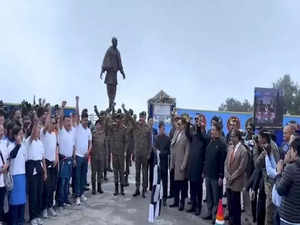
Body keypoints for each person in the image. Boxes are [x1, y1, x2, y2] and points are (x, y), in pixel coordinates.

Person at [202, 122, 227, 224]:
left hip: (216, 177)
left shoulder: (222, 144)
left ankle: (215, 216)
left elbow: (222, 162)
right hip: (208, 175)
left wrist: (221, 176)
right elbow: (206, 159)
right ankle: (209, 212)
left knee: (217, 197)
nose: (211, 132)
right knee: (209, 196)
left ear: (218, 131)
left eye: (213, 130)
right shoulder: (210, 143)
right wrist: (204, 171)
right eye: (211, 130)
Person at [255, 129, 280, 225]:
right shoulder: (269, 146)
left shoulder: (271, 148)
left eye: (259, 137)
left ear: (264, 138)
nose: (258, 139)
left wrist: (261, 152)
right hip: (269, 182)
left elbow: (257, 164)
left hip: (271, 184)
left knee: (270, 211)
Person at [26, 115, 47, 225]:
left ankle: (37, 215)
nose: (38, 132)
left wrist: (45, 173)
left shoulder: (40, 142)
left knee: (39, 193)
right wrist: (36, 121)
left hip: (40, 169)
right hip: (31, 168)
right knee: (33, 194)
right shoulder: (28, 141)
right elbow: (33, 132)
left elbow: (43, 158)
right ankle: (32, 217)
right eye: (37, 130)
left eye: (39, 130)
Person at [225, 129, 249, 225]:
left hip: (237, 181)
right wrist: (227, 175)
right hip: (228, 180)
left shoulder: (243, 150)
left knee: (236, 204)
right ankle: (231, 221)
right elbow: (226, 163)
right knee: (230, 203)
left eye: (233, 136)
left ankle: (236, 222)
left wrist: (232, 177)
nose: (231, 138)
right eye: (230, 136)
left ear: (238, 137)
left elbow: (241, 168)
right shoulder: (230, 148)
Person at [185, 114, 207, 216]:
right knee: (192, 187)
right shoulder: (193, 135)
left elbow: (200, 134)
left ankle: (198, 207)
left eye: (199, 120)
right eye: (196, 120)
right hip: (192, 166)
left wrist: (198, 127)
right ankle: (193, 205)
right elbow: (187, 134)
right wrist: (188, 123)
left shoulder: (204, 136)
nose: (197, 122)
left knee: (198, 188)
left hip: (199, 167)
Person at [276, 138, 300, 225]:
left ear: (295, 152)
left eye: (291, 149)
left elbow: (280, 190)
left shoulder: (291, 168)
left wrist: (279, 173)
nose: (289, 152)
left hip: (289, 217)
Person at [57, 101, 75, 212]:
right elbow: (59, 119)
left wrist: (73, 159)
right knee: (62, 181)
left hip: (69, 160)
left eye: (70, 121)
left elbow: (73, 146)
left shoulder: (72, 132)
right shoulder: (61, 131)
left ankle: (66, 199)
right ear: (63, 123)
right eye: (67, 121)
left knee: (67, 181)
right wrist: (62, 107)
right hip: (63, 160)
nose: (69, 123)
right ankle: (60, 201)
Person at [74, 97, 92, 205]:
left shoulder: (89, 130)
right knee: (77, 177)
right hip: (78, 156)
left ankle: (81, 194)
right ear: (81, 120)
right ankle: (77, 196)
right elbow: (77, 113)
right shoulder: (78, 127)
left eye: (87, 120)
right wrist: (77, 102)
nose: (86, 122)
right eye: (84, 120)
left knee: (83, 177)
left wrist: (88, 152)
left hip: (85, 157)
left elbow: (91, 144)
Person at [41, 108, 59, 218]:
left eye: (54, 123)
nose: (53, 124)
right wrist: (48, 112)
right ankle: (44, 208)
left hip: (54, 162)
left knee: (52, 187)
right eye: (52, 123)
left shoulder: (54, 134)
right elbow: (46, 124)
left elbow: (56, 146)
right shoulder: (43, 133)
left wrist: (57, 157)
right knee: (46, 187)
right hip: (46, 162)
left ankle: (50, 206)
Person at [169, 117, 189, 211]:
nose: (178, 125)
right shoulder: (177, 133)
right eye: (178, 124)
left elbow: (187, 152)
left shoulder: (186, 136)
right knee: (176, 184)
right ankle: (176, 201)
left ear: (184, 125)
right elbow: (173, 146)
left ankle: (181, 203)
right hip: (175, 163)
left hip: (181, 164)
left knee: (182, 185)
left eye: (180, 124)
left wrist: (184, 165)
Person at [100, 37, 126, 110]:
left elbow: (120, 63)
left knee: (114, 92)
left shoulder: (117, 52)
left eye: (117, 42)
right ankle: (110, 105)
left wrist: (122, 73)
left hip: (114, 75)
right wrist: (102, 71)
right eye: (114, 42)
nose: (116, 43)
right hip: (109, 74)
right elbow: (105, 60)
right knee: (109, 92)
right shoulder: (109, 50)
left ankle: (111, 105)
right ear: (112, 42)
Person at [8, 125, 26, 225]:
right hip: (14, 176)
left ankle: (21, 221)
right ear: (15, 136)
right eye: (19, 134)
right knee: (14, 202)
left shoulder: (24, 145)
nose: (21, 136)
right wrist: (18, 145)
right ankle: (13, 222)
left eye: (22, 134)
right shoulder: (11, 146)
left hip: (22, 175)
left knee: (22, 201)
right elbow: (12, 155)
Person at [132, 111, 151, 198]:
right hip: (137, 153)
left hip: (144, 154)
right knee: (137, 172)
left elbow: (150, 142)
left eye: (143, 117)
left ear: (145, 117)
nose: (142, 118)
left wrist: (149, 153)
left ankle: (144, 189)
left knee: (144, 172)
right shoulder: (136, 126)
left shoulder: (148, 128)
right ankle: (137, 189)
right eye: (141, 117)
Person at [107, 113, 127, 196]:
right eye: (117, 119)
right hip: (114, 153)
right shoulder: (112, 127)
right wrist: (109, 118)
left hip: (121, 153)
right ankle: (116, 189)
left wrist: (125, 151)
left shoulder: (124, 129)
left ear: (121, 120)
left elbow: (126, 142)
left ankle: (122, 189)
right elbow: (107, 125)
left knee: (121, 171)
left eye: (119, 119)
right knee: (115, 171)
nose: (118, 120)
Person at [153, 121, 170, 206]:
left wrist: (163, 153)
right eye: (162, 128)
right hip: (158, 164)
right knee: (157, 181)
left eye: (164, 129)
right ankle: (157, 196)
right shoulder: (156, 138)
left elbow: (169, 150)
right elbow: (154, 148)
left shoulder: (167, 138)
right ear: (159, 128)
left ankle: (164, 198)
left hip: (164, 163)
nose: (163, 130)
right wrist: (157, 152)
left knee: (165, 182)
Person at [91, 119, 106, 194]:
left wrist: (105, 156)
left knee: (100, 173)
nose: (98, 126)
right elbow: (90, 144)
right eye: (97, 124)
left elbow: (105, 145)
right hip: (94, 156)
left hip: (101, 156)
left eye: (99, 124)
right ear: (95, 125)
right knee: (94, 173)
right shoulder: (92, 133)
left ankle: (99, 187)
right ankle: (93, 188)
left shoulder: (103, 134)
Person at [0, 124, 8, 225]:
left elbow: (8, 158)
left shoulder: (4, 143)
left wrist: (6, 166)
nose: (2, 132)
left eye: (2, 130)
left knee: (1, 202)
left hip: (3, 180)